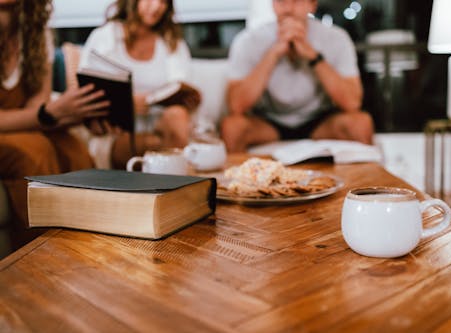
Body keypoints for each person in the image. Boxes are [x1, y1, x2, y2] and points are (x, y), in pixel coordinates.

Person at [0, 0, 109, 249]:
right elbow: (40, 113)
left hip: (19, 125)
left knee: (75, 150)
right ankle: (40, 259)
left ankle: (91, 248)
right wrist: (48, 114)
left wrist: (66, 115)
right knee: (35, 151)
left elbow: (38, 102)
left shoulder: (36, 29)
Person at [221, 0, 374, 152]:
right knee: (232, 127)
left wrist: (312, 56)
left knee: (360, 124)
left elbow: (352, 103)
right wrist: (273, 53)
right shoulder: (248, 40)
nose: (288, 8)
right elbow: (236, 106)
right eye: (281, 1)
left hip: (319, 121)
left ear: (312, 5)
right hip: (268, 122)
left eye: (296, 1)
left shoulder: (337, 38)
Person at [80, 0, 200, 168]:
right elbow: (88, 94)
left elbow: (182, 87)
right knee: (158, 145)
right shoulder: (105, 37)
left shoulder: (171, 41)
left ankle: (173, 177)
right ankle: (175, 173)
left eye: (164, 1)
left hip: (164, 125)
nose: (157, 6)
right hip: (119, 133)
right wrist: (126, 104)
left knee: (177, 115)